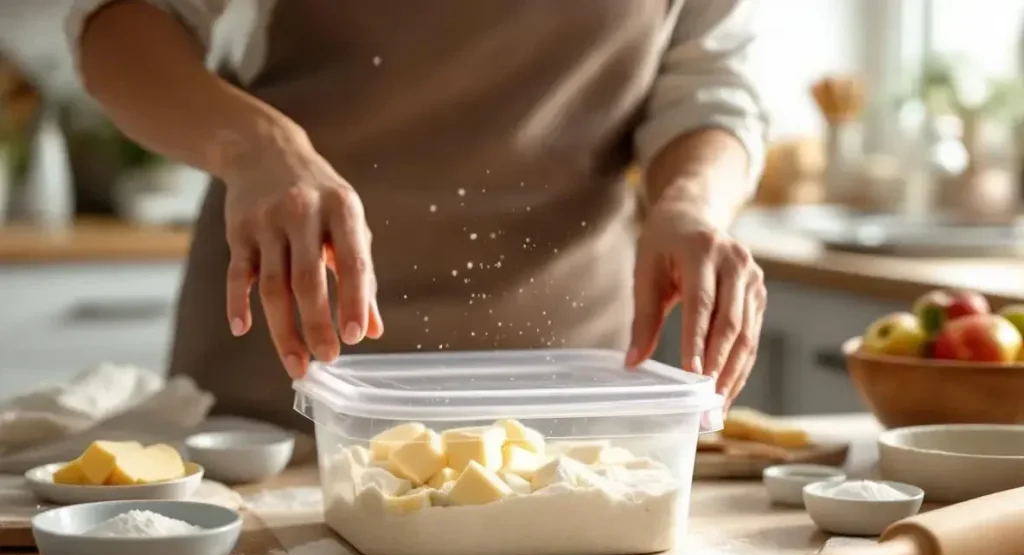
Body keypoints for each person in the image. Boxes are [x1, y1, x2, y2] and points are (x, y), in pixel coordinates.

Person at [69, 0, 768, 430]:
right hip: (286, 374)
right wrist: (256, 146)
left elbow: (710, 85)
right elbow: (122, 22)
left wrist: (691, 202)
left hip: (562, 386)